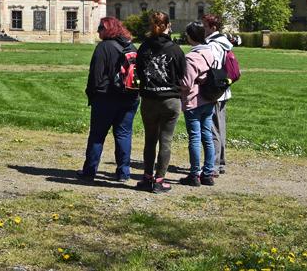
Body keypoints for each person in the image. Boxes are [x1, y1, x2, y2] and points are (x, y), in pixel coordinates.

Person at [77, 17, 139, 182]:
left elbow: (95, 77)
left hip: (106, 97)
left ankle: (90, 171)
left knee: (97, 135)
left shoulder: (103, 47)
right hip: (129, 97)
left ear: (108, 29)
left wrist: (92, 94)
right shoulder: (130, 46)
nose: (98, 31)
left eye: (100, 27)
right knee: (124, 134)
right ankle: (123, 173)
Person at [134, 12, 186, 193]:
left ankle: (147, 177)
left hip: (149, 98)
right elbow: (182, 74)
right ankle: (160, 179)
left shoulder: (144, 47)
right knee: (166, 141)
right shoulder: (175, 49)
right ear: (168, 26)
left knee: (150, 140)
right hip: (170, 99)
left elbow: (138, 71)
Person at [180, 21, 217, 186]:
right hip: (209, 98)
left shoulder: (191, 57)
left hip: (194, 101)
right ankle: (208, 173)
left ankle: (194, 174)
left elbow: (186, 83)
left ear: (190, 37)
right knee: (207, 136)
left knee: (195, 137)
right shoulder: (210, 52)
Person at [202, 13, 233, 176]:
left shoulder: (213, 45)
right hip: (223, 90)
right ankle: (220, 162)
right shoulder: (225, 42)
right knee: (220, 128)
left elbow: (211, 65)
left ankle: (213, 165)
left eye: (205, 26)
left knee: (212, 128)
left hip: (214, 91)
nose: (203, 29)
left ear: (213, 27)